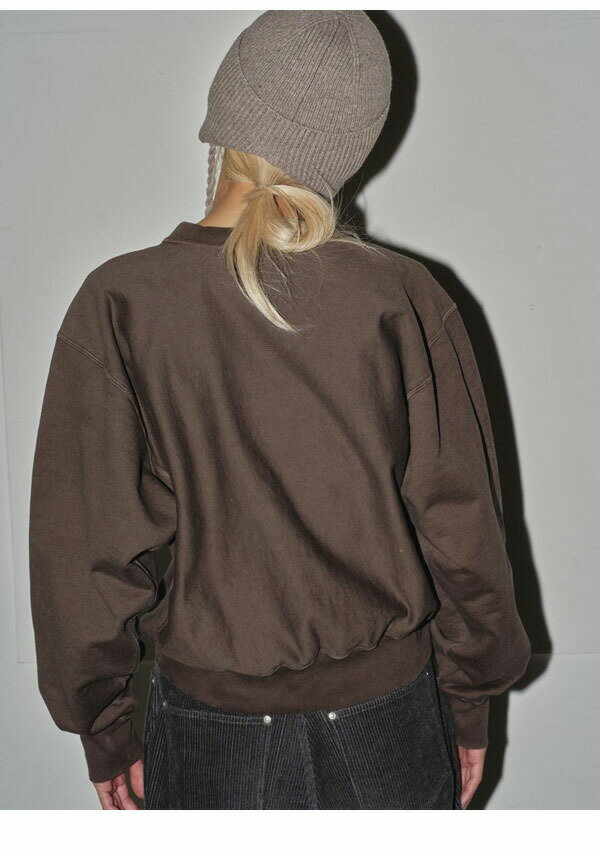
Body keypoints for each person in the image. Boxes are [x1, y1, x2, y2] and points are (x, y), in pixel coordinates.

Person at [28, 11, 531, 811]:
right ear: (349, 147)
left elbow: (84, 554)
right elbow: (464, 527)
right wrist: (470, 699)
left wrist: (104, 724)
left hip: (213, 733)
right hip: (390, 725)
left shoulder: (123, 304)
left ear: (224, 114)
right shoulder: (400, 298)